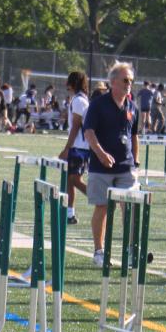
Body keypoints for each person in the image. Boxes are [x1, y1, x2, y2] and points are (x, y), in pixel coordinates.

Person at [83, 62, 140, 267]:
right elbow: (89, 132)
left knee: (130, 207)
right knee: (102, 207)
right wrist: (101, 154)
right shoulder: (98, 105)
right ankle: (99, 251)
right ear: (113, 81)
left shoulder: (132, 107)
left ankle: (131, 250)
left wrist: (135, 161)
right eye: (125, 80)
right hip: (101, 167)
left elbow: (134, 136)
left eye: (131, 80)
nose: (128, 84)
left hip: (125, 167)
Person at [58, 69, 90, 224]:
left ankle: (100, 198)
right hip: (79, 146)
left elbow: (76, 126)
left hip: (79, 147)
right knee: (69, 181)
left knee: (75, 179)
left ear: (72, 83)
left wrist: (67, 148)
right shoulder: (79, 99)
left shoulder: (78, 101)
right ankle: (69, 213)